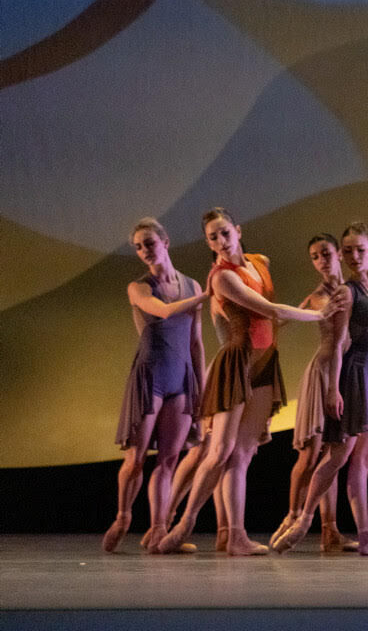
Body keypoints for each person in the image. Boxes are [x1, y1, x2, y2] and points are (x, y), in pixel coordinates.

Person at [157, 208, 339, 555]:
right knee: (218, 451)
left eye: (225, 233)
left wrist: (299, 310)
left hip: (265, 362)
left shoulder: (258, 263)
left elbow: (271, 318)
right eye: (213, 237)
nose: (221, 242)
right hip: (237, 363)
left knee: (242, 455)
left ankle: (235, 535)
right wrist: (318, 312)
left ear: (238, 231)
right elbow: (270, 310)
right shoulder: (221, 277)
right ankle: (184, 522)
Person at [273, 222, 368, 555]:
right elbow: (341, 341)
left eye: (360, 249)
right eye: (348, 251)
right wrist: (332, 390)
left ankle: (366, 535)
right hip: (356, 375)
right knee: (337, 456)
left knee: (365, 460)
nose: (354, 256)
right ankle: (304, 520)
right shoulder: (347, 292)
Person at [103, 218, 209, 553]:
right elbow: (162, 312)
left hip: (181, 379)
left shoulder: (190, 286)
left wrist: (202, 391)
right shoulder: (139, 287)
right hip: (150, 378)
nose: (144, 251)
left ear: (165, 241)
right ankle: (123, 516)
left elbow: (196, 343)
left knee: (168, 460)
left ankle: (160, 529)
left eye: (149, 243)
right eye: (137, 247)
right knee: (136, 459)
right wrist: (208, 295)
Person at [269, 233, 358, 553]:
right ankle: (292, 518)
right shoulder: (318, 296)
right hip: (322, 375)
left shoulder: (351, 291)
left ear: (338, 254)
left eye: (325, 253)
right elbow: (279, 319)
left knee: (333, 456)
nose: (321, 260)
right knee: (310, 454)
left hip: (345, 375)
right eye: (315, 256)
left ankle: (330, 531)